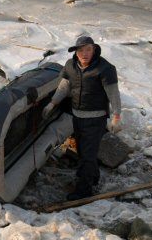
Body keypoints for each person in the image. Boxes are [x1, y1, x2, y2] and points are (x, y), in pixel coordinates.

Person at [42, 36, 121, 200]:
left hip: (96, 119)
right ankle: (93, 178)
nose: (84, 54)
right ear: (76, 52)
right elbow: (64, 87)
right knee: (83, 151)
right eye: (81, 50)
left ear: (94, 50)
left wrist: (116, 117)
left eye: (88, 50)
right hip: (77, 117)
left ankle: (83, 190)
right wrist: (52, 103)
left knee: (87, 154)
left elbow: (113, 94)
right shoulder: (70, 66)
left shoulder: (104, 69)